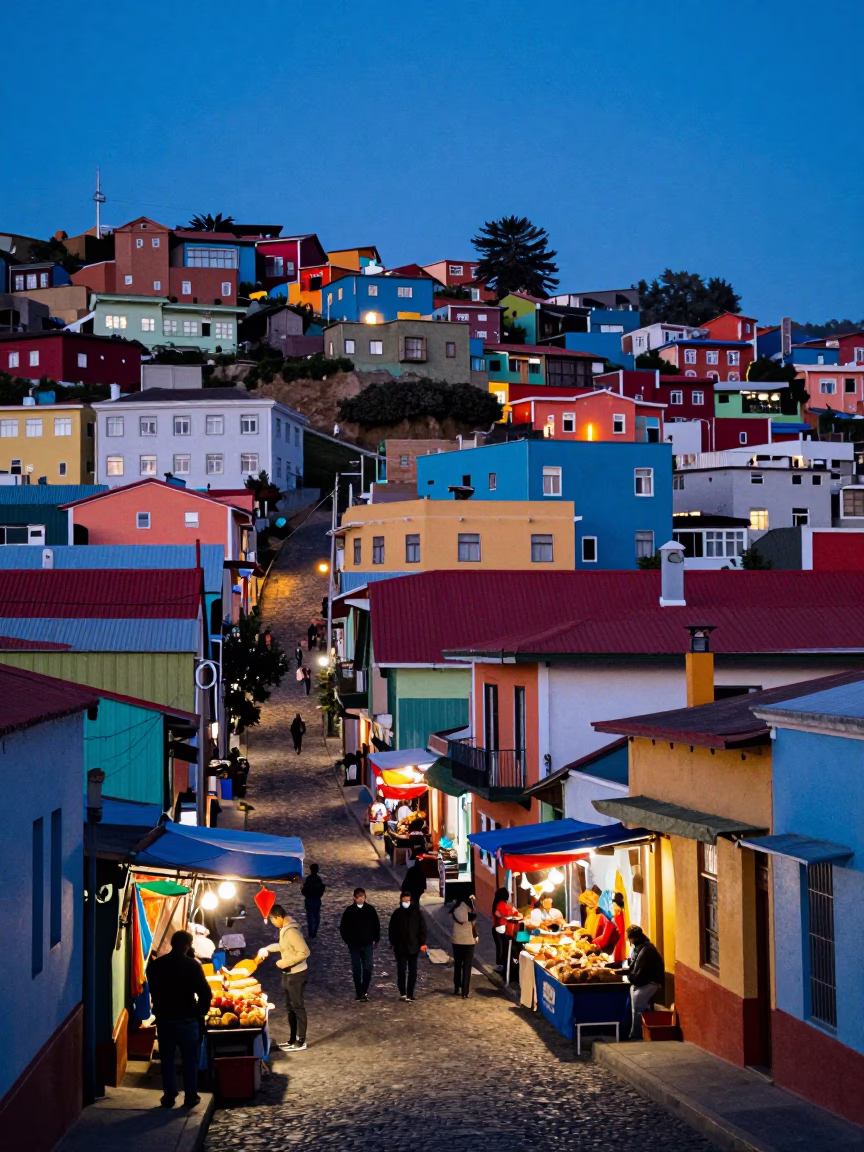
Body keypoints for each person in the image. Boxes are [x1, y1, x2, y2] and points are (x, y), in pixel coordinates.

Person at [147, 929, 212, 1107]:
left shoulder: (156, 965)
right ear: (186, 946)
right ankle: (191, 1095)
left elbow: (152, 990)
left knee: (167, 1059)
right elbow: (205, 993)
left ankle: (169, 1095)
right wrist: (200, 1012)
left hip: (165, 1019)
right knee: (190, 1060)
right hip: (187, 1019)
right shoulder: (193, 965)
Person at [256, 905, 311, 1051]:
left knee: (298, 1007)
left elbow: (304, 952)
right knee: (289, 1008)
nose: (273, 923)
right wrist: (267, 949)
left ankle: (301, 1041)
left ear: (278, 917)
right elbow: (283, 947)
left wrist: (285, 962)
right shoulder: (284, 930)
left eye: (272, 920)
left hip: (296, 974)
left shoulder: (291, 932)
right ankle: (292, 1039)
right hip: (288, 974)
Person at [339, 888, 380, 1001]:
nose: (361, 899)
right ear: (354, 898)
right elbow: (343, 927)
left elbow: (376, 925)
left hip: (367, 944)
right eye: (359, 897)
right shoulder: (349, 911)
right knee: (357, 969)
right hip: (354, 946)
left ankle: (364, 990)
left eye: (363, 896)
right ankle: (359, 992)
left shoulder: (370, 910)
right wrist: (348, 941)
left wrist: (377, 939)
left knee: (368, 968)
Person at [625, 925, 665, 1039]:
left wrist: (630, 977)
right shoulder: (640, 948)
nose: (630, 941)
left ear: (635, 938)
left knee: (637, 1007)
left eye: (630, 938)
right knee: (635, 1007)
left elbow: (641, 973)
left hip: (650, 983)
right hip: (642, 982)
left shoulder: (647, 950)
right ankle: (636, 1032)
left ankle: (636, 1034)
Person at [388, 892, 428, 1001]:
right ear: (401, 901)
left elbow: (422, 929)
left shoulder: (417, 913)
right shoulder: (397, 914)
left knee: (413, 972)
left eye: (408, 901)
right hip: (400, 948)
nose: (406, 903)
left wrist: (422, 943)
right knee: (401, 971)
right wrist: (393, 943)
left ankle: (410, 993)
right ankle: (403, 993)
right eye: (404, 901)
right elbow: (392, 930)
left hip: (413, 947)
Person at [450, 895, 477, 998]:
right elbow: (474, 920)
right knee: (467, 967)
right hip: (469, 942)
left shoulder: (455, 910)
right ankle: (465, 992)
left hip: (456, 941)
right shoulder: (470, 911)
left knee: (457, 965)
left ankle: (456, 987)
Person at [492, 887, 521, 972]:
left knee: (501, 947)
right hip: (500, 928)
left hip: (497, 928)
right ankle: (502, 966)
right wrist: (512, 913)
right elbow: (505, 913)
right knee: (503, 948)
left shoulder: (497, 903)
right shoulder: (501, 904)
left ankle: (502, 965)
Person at [594, 892, 626, 963]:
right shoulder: (619, 915)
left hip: (611, 949)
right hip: (615, 947)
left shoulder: (613, 918)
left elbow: (604, 939)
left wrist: (593, 944)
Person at [301, 863, 326, 938]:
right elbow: (321, 891)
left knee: (310, 917)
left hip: (309, 900)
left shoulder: (309, 879)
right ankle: (314, 933)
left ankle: (310, 933)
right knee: (316, 916)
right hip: (317, 900)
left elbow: (304, 890)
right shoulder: (318, 879)